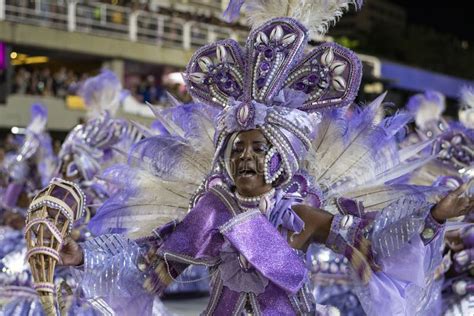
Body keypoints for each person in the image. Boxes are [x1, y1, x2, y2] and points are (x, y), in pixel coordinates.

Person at [30, 1, 473, 315]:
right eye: (236, 147)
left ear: (283, 157)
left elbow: (372, 243)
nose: (245, 156)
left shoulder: (301, 210)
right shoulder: (210, 210)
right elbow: (151, 262)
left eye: (259, 148)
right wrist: (80, 256)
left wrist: (433, 215)